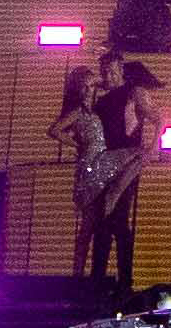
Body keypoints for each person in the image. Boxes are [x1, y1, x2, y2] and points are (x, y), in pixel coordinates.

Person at [59, 55, 158, 298]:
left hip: (126, 162)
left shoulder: (133, 92)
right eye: (105, 71)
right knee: (101, 223)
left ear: (121, 70)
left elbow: (158, 118)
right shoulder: (100, 101)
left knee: (119, 220)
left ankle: (124, 282)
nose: (109, 76)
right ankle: (98, 279)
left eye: (113, 71)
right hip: (103, 163)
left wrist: (152, 148)